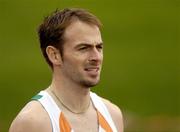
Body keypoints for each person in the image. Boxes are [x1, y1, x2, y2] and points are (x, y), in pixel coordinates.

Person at [9, 8, 123, 132]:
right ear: (54, 55)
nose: (96, 57)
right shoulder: (33, 123)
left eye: (99, 47)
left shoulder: (113, 115)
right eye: (84, 48)